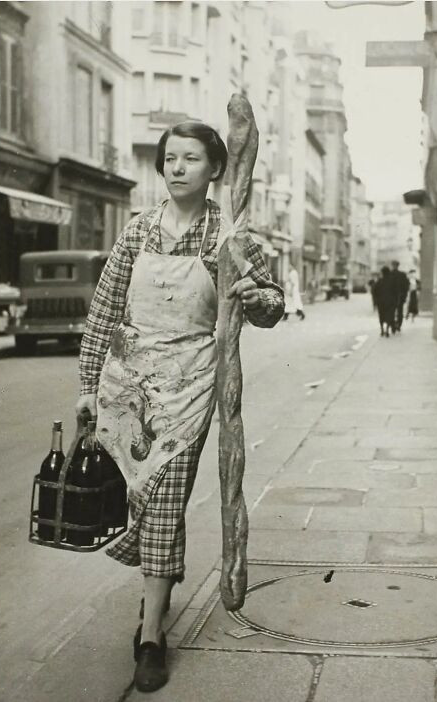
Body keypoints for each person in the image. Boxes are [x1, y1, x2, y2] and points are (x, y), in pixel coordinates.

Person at [75, 121, 284, 693]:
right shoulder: (138, 227)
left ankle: (150, 638)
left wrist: (253, 294)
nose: (177, 167)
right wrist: (89, 385)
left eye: (190, 158)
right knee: (136, 503)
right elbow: (104, 310)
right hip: (129, 388)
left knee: (165, 500)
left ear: (215, 168)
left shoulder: (231, 235)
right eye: (170, 158)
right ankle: (158, 592)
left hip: (191, 389)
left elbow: (272, 307)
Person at [372, 266, 396, 337]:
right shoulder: (392, 281)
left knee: (381, 316)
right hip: (390, 302)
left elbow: (374, 291)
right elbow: (395, 292)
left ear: (382, 273)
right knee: (389, 315)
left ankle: (382, 330)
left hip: (381, 302)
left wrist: (375, 302)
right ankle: (387, 330)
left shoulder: (379, 281)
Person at [388, 260, 409, 332]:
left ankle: (394, 325)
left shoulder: (389, 274)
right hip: (399, 296)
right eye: (394, 265)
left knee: (393, 312)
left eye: (394, 265)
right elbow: (406, 286)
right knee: (399, 312)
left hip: (394, 297)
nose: (394, 266)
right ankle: (397, 325)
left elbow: (406, 286)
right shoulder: (402, 275)